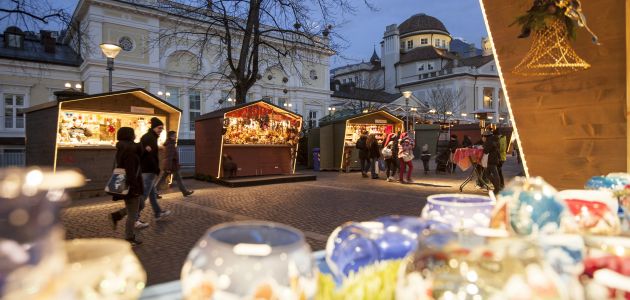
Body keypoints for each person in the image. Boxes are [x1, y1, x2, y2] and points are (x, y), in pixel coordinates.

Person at [109, 127, 143, 246]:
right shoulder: (130, 151)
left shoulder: (122, 148)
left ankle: (116, 215)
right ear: (129, 136)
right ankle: (129, 237)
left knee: (139, 205)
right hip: (131, 186)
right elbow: (131, 171)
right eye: (133, 133)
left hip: (126, 183)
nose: (135, 135)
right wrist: (134, 188)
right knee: (133, 214)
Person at [138, 117, 172, 227]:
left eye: (162, 128)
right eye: (159, 128)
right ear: (153, 127)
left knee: (152, 194)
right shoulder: (149, 138)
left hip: (149, 170)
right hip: (148, 170)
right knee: (144, 195)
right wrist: (156, 169)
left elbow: (148, 153)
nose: (161, 130)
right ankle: (135, 218)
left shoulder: (151, 137)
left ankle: (158, 213)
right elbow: (149, 156)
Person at [156, 131, 194, 197]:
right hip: (171, 166)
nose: (176, 137)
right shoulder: (170, 145)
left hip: (172, 165)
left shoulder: (170, 143)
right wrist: (168, 167)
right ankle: (154, 192)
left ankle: (185, 192)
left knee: (176, 179)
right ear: (171, 136)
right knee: (163, 179)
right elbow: (169, 157)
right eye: (174, 135)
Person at [482, 130, 501, 195]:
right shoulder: (495, 140)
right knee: (491, 173)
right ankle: (497, 187)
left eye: (483, 136)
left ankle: (497, 188)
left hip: (490, 159)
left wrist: (484, 144)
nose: (483, 137)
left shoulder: (489, 142)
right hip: (495, 158)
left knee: (491, 174)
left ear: (486, 136)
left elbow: (486, 151)